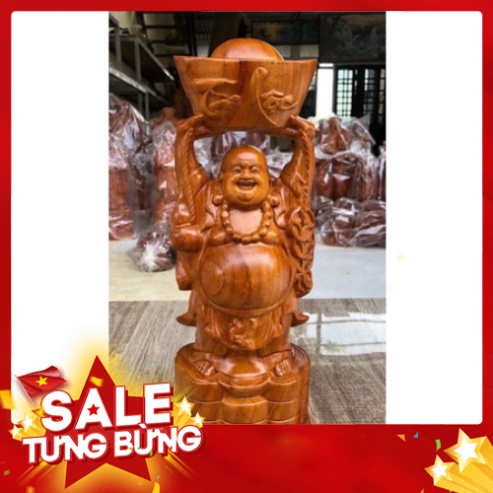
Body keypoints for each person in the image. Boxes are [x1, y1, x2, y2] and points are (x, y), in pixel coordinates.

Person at [172, 114, 315, 379]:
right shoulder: (208, 198)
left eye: (254, 169)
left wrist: (304, 139)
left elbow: (301, 177)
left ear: (269, 178)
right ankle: (209, 355)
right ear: (221, 177)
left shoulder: (280, 198)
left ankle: (276, 354)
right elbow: (187, 177)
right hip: (215, 303)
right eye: (237, 170)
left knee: (276, 335)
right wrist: (185, 139)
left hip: (274, 303)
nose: (246, 174)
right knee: (211, 336)